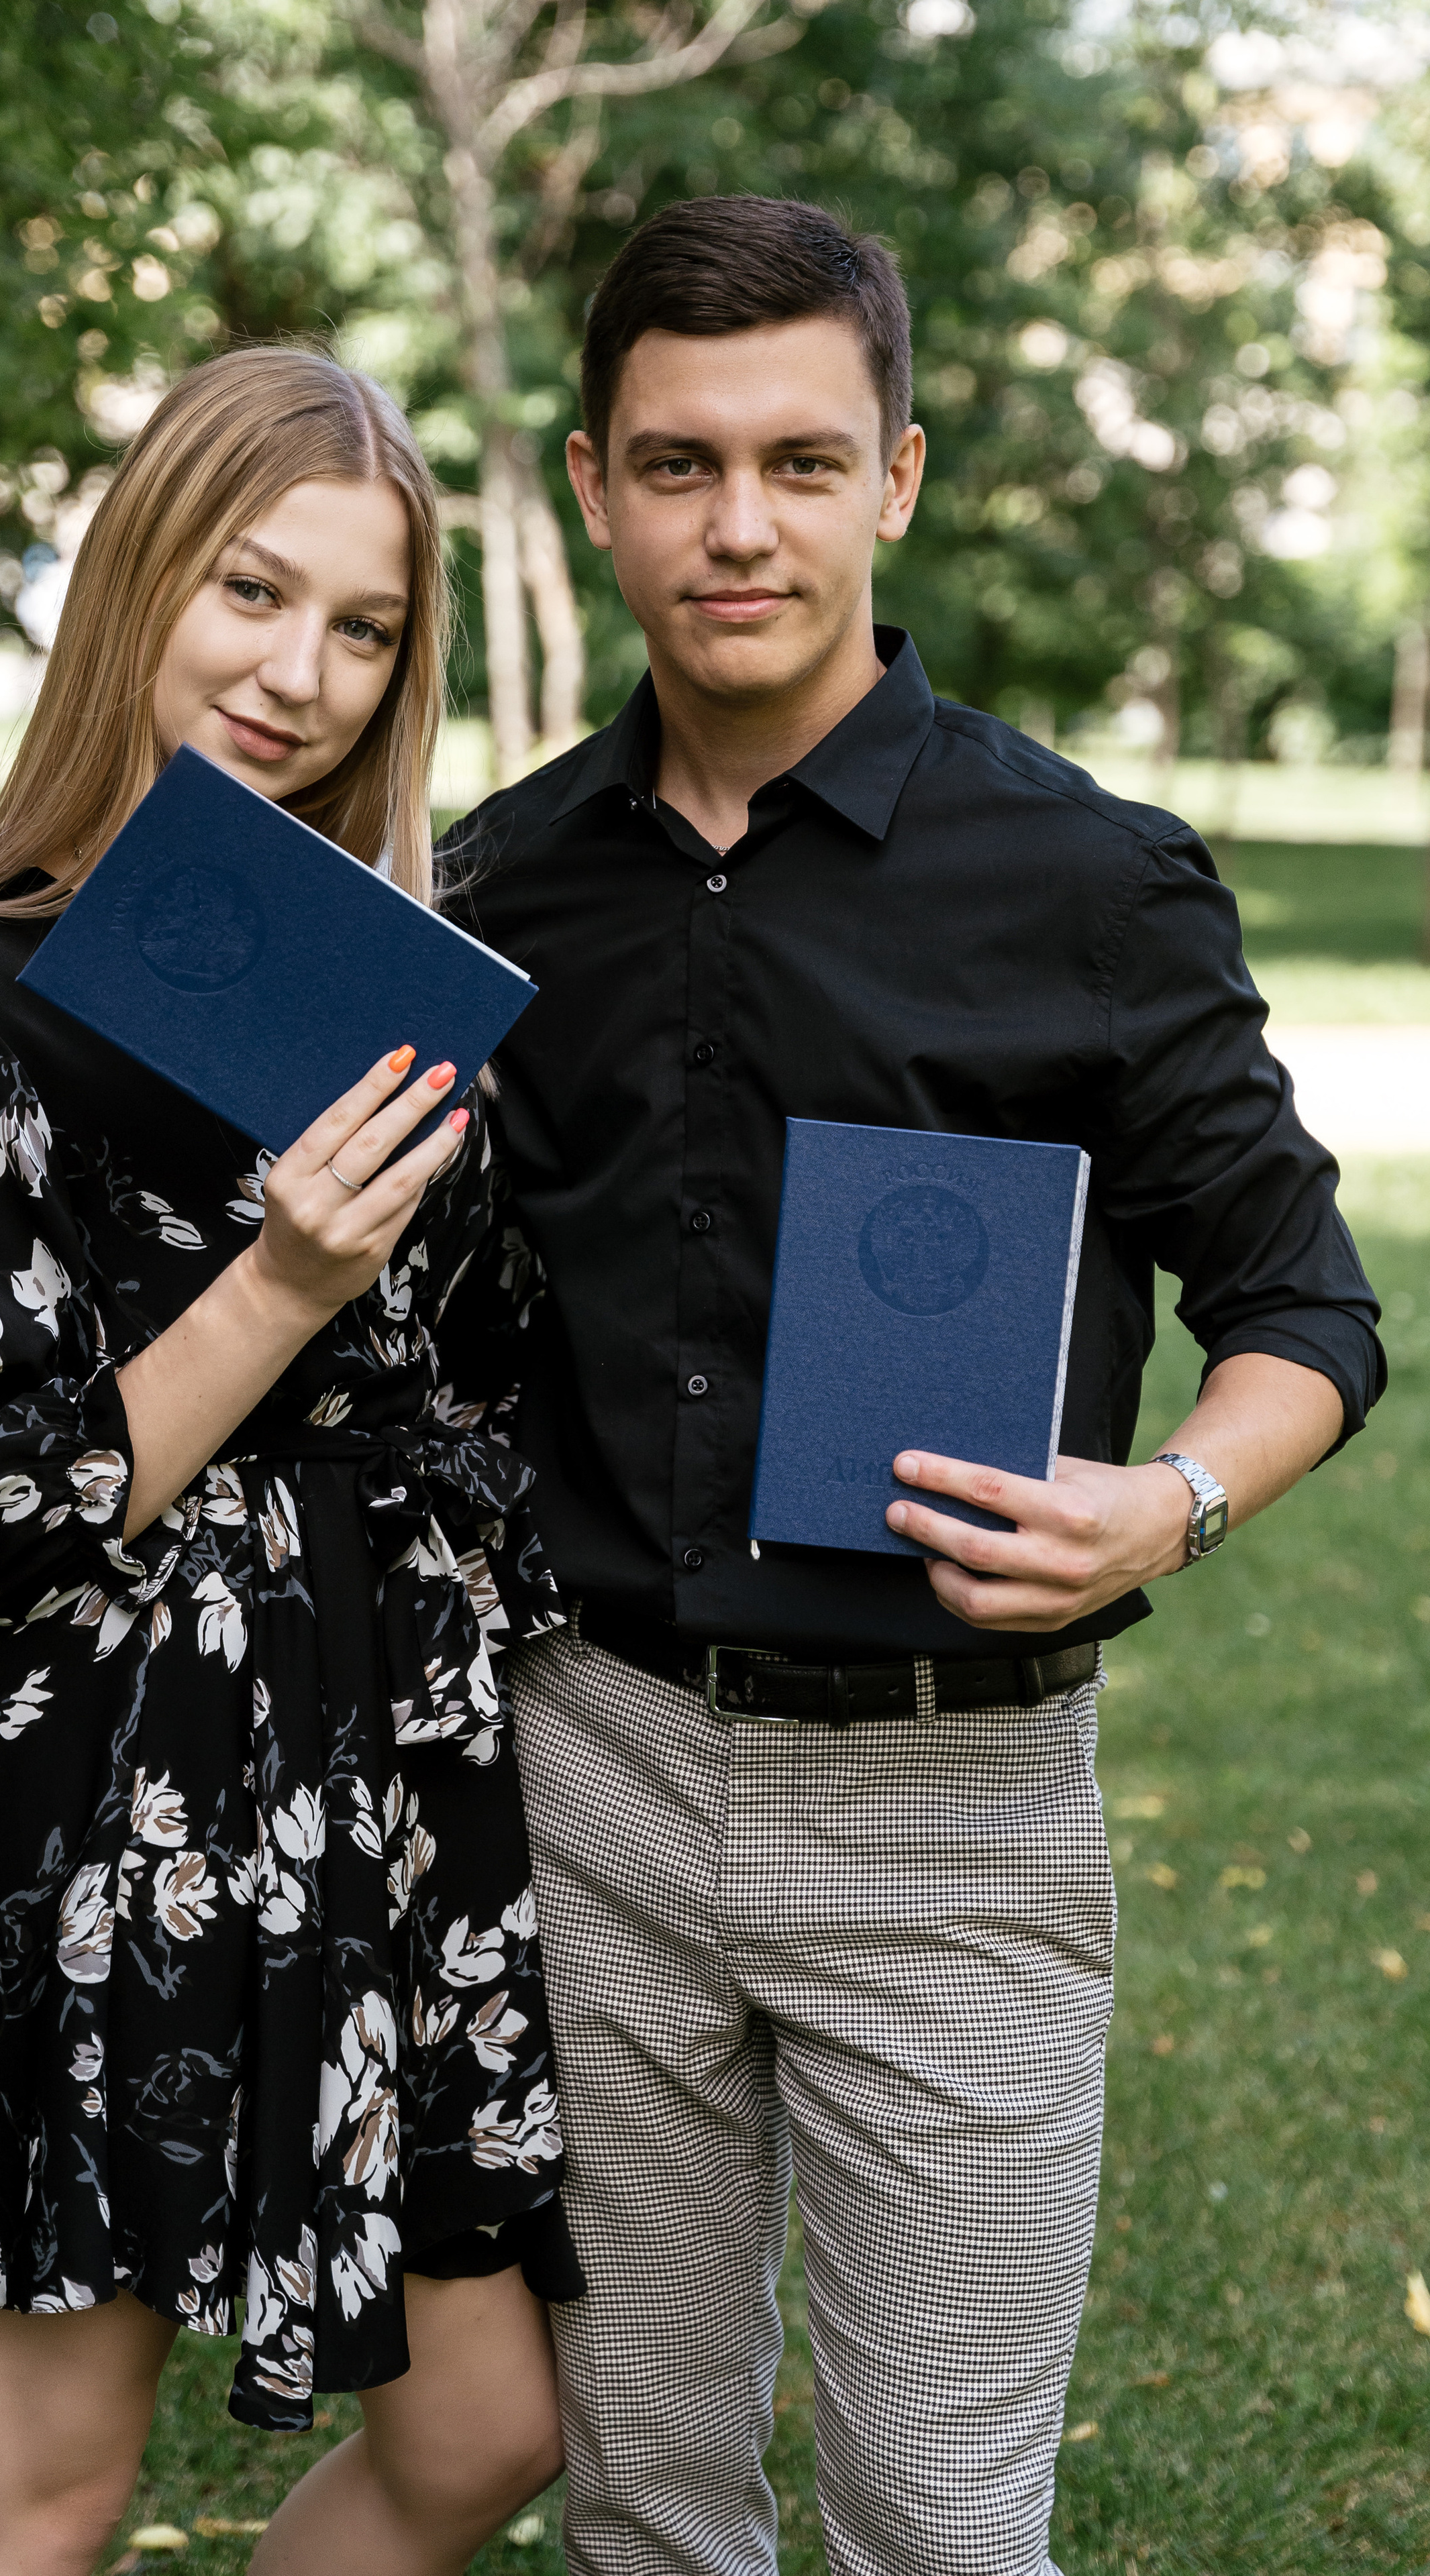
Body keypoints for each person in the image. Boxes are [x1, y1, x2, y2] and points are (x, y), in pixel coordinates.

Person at [436, 198, 1384, 2576]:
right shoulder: (497, 888)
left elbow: (1309, 1314)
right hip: (595, 1773)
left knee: (943, 2526)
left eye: (796, 459)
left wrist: (1165, 1503)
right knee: (647, 2496)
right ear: (586, 483)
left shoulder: (1092, 879)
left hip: (950, 1801)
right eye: (675, 465)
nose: (735, 524)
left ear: (900, 478)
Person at [0, 345, 576, 2576]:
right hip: (116, 1779)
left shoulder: (390, 989)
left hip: (394, 1775)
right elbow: (5, 1514)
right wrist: (288, 1276)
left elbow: (485, 1383)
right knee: (41, 2494)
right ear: (140, 578)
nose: (298, 672)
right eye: (251, 592)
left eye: (364, 628)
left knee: (487, 2426)